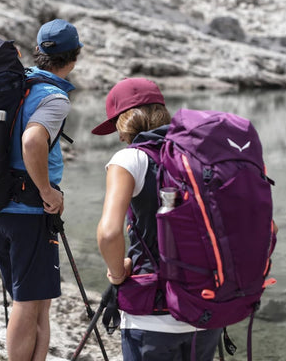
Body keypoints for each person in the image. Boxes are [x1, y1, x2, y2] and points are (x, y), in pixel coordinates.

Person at [92, 77, 222, 361]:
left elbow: (109, 233)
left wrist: (117, 273)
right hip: (206, 308)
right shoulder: (200, 156)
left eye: (116, 124)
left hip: (151, 315)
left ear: (126, 120)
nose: (117, 134)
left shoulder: (130, 159)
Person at [0, 19, 83, 361]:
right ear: (76, 56)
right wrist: (47, 192)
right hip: (29, 212)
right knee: (28, 305)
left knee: (38, 301)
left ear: (38, 52)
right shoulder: (53, 97)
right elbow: (31, 141)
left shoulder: (16, 84)